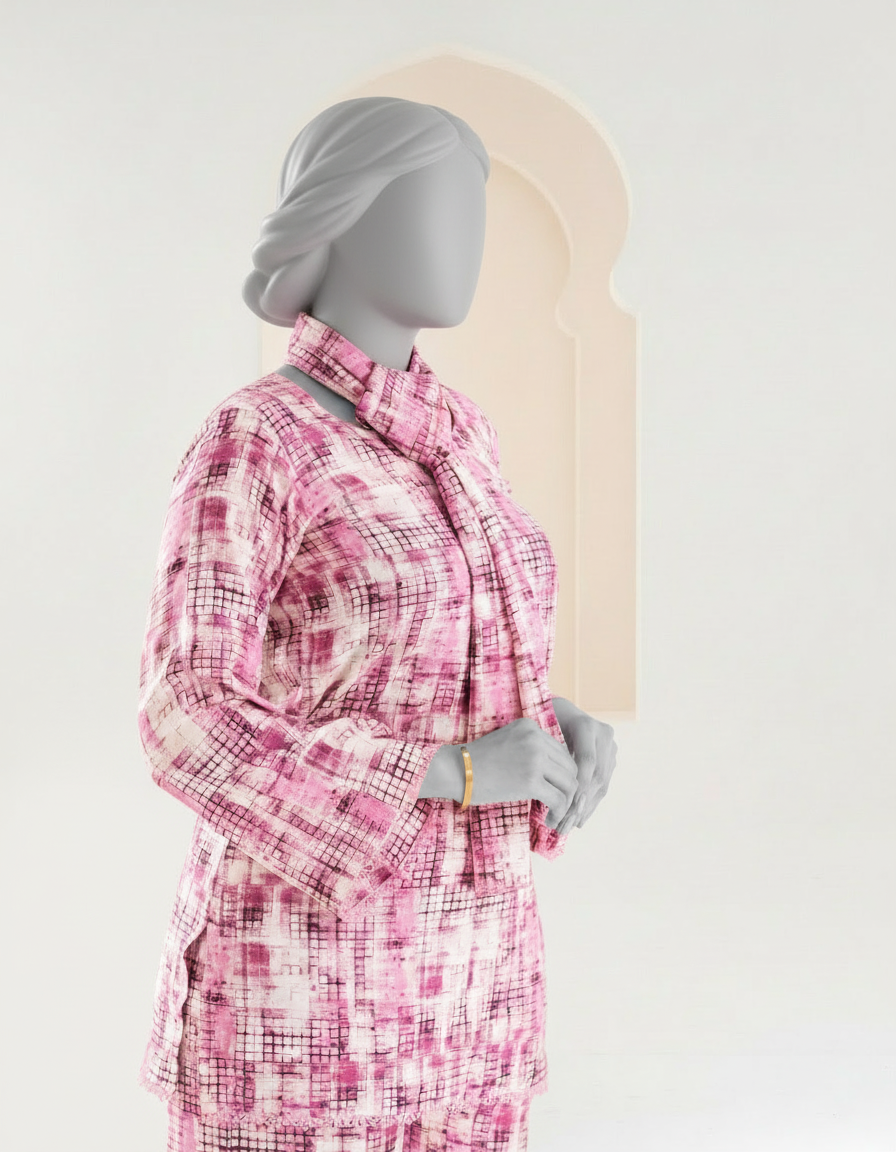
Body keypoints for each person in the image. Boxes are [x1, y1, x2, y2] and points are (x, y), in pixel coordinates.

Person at [137, 96, 617, 1152]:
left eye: (476, 211)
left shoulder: (461, 439)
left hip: (474, 997)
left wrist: (550, 724)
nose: (470, 239)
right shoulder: (258, 438)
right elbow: (186, 715)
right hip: (308, 1005)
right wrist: (450, 771)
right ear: (344, 212)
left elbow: (419, 662)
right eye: (440, 205)